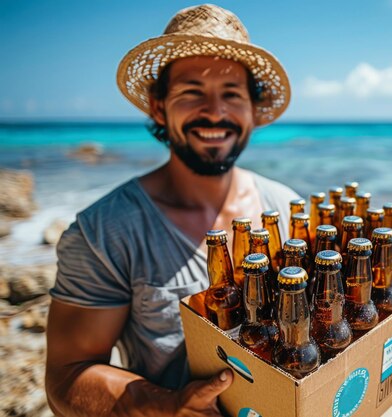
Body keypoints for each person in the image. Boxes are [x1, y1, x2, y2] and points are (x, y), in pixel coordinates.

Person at [45, 4, 299, 416]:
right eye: (191, 92)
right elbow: (65, 378)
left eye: (232, 95)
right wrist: (165, 406)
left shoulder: (288, 210)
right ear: (159, 106)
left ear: (253, 111)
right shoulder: (104, 233)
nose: (215, 112)